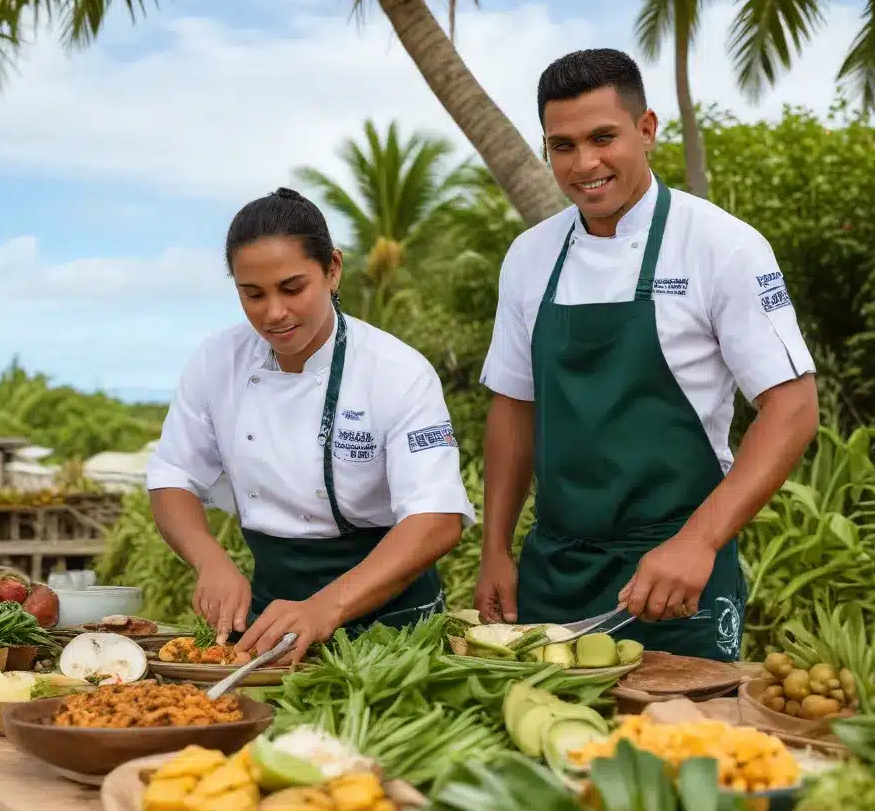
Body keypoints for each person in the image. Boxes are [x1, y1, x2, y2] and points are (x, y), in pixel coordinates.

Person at [475, 48, 819, 661]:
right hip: (553, 570)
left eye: (603, 137)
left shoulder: (722, 246)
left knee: (685, 743)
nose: (585, 164)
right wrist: (496, 549)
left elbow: (792, 409)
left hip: (677, 572)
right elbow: (512, 407)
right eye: (562, 145)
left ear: (647, 128)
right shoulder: (528, 256)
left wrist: (698, 543)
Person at [146, 187, 475, 663]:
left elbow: (437, 518)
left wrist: (326, 608)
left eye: (292, 288)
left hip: (395, 626)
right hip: (270, 619)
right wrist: (210, 561)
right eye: (252, 294)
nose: (274, 313)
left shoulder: (397, 371)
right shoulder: (217, 361)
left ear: (333, 269)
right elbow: (172, 476)